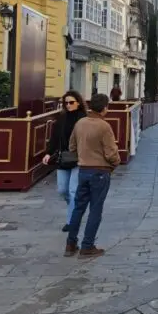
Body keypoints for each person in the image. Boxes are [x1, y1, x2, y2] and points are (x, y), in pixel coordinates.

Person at [65, 93, 120, 259]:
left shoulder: (80, 123)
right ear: (104, 108)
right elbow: (111, 153)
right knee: (95, 209)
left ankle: (70, 243)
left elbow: (72, 146)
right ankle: (87, 246)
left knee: (78, 207)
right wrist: (115, 163)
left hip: (83, 170)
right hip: (100, 171)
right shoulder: (104, 126)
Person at [43, 91, 87, 232]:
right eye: (65, 103)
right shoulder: (61, 118)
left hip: (78, 159)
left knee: (73, 190)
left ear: (78, 103)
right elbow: (54, 137)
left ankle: (71, 222)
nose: (68, 105)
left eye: (71, 102)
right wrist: (48, 153)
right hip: (63, 158)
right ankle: (74, 208)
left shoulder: (84, 119)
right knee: (62, 190)